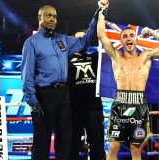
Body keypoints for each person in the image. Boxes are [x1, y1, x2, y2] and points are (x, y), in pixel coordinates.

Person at [21, 2, 104, 159]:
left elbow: (85, 40)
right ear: (40, 17)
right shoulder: (31, 42)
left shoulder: (63, 40)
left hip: (64, 95)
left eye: (55, 16)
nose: (53, 19)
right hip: (44, 95)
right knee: (42, 142)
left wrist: (97, 14)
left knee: (65, 140)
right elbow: (27, 75)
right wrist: (33, 102)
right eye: (49, 15)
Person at [97, 1, 159, 159]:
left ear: (136, 40)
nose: (128, 38)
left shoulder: (145, 56)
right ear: (122, 41)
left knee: (135, 148)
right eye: (124, 36)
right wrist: (101, 11)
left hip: (139, 105)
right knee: (113, 146)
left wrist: (153, 33)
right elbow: (101, 35)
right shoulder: (116, 56)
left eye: (131, 35)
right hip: (119, 104)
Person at [68, 29, 106, 160]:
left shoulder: (95, 57)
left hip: (94, 107)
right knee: (72, 145)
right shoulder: (65, 59)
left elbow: (108, 46)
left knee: (97, 145)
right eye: (78, 39)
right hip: (73, 109)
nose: (81, 41)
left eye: (84, 38)